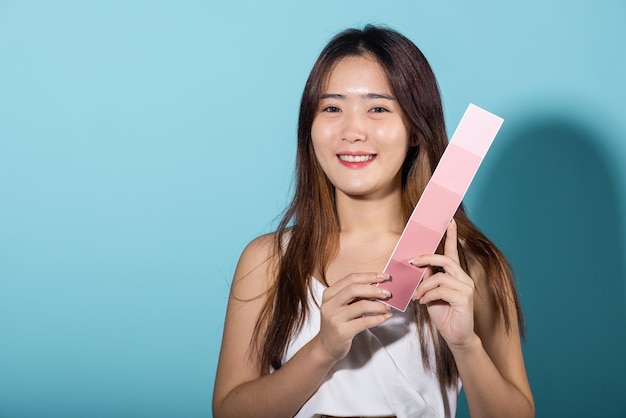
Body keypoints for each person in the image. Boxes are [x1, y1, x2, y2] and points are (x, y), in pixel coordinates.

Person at [213, 25, 534, 418]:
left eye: (378, 108)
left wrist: (465, 344)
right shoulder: (267, 261)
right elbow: (230, 411)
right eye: (332, 108)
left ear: (416, 129)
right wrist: (323, 349)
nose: (352, 131)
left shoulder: (468, 266)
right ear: (308, 129)